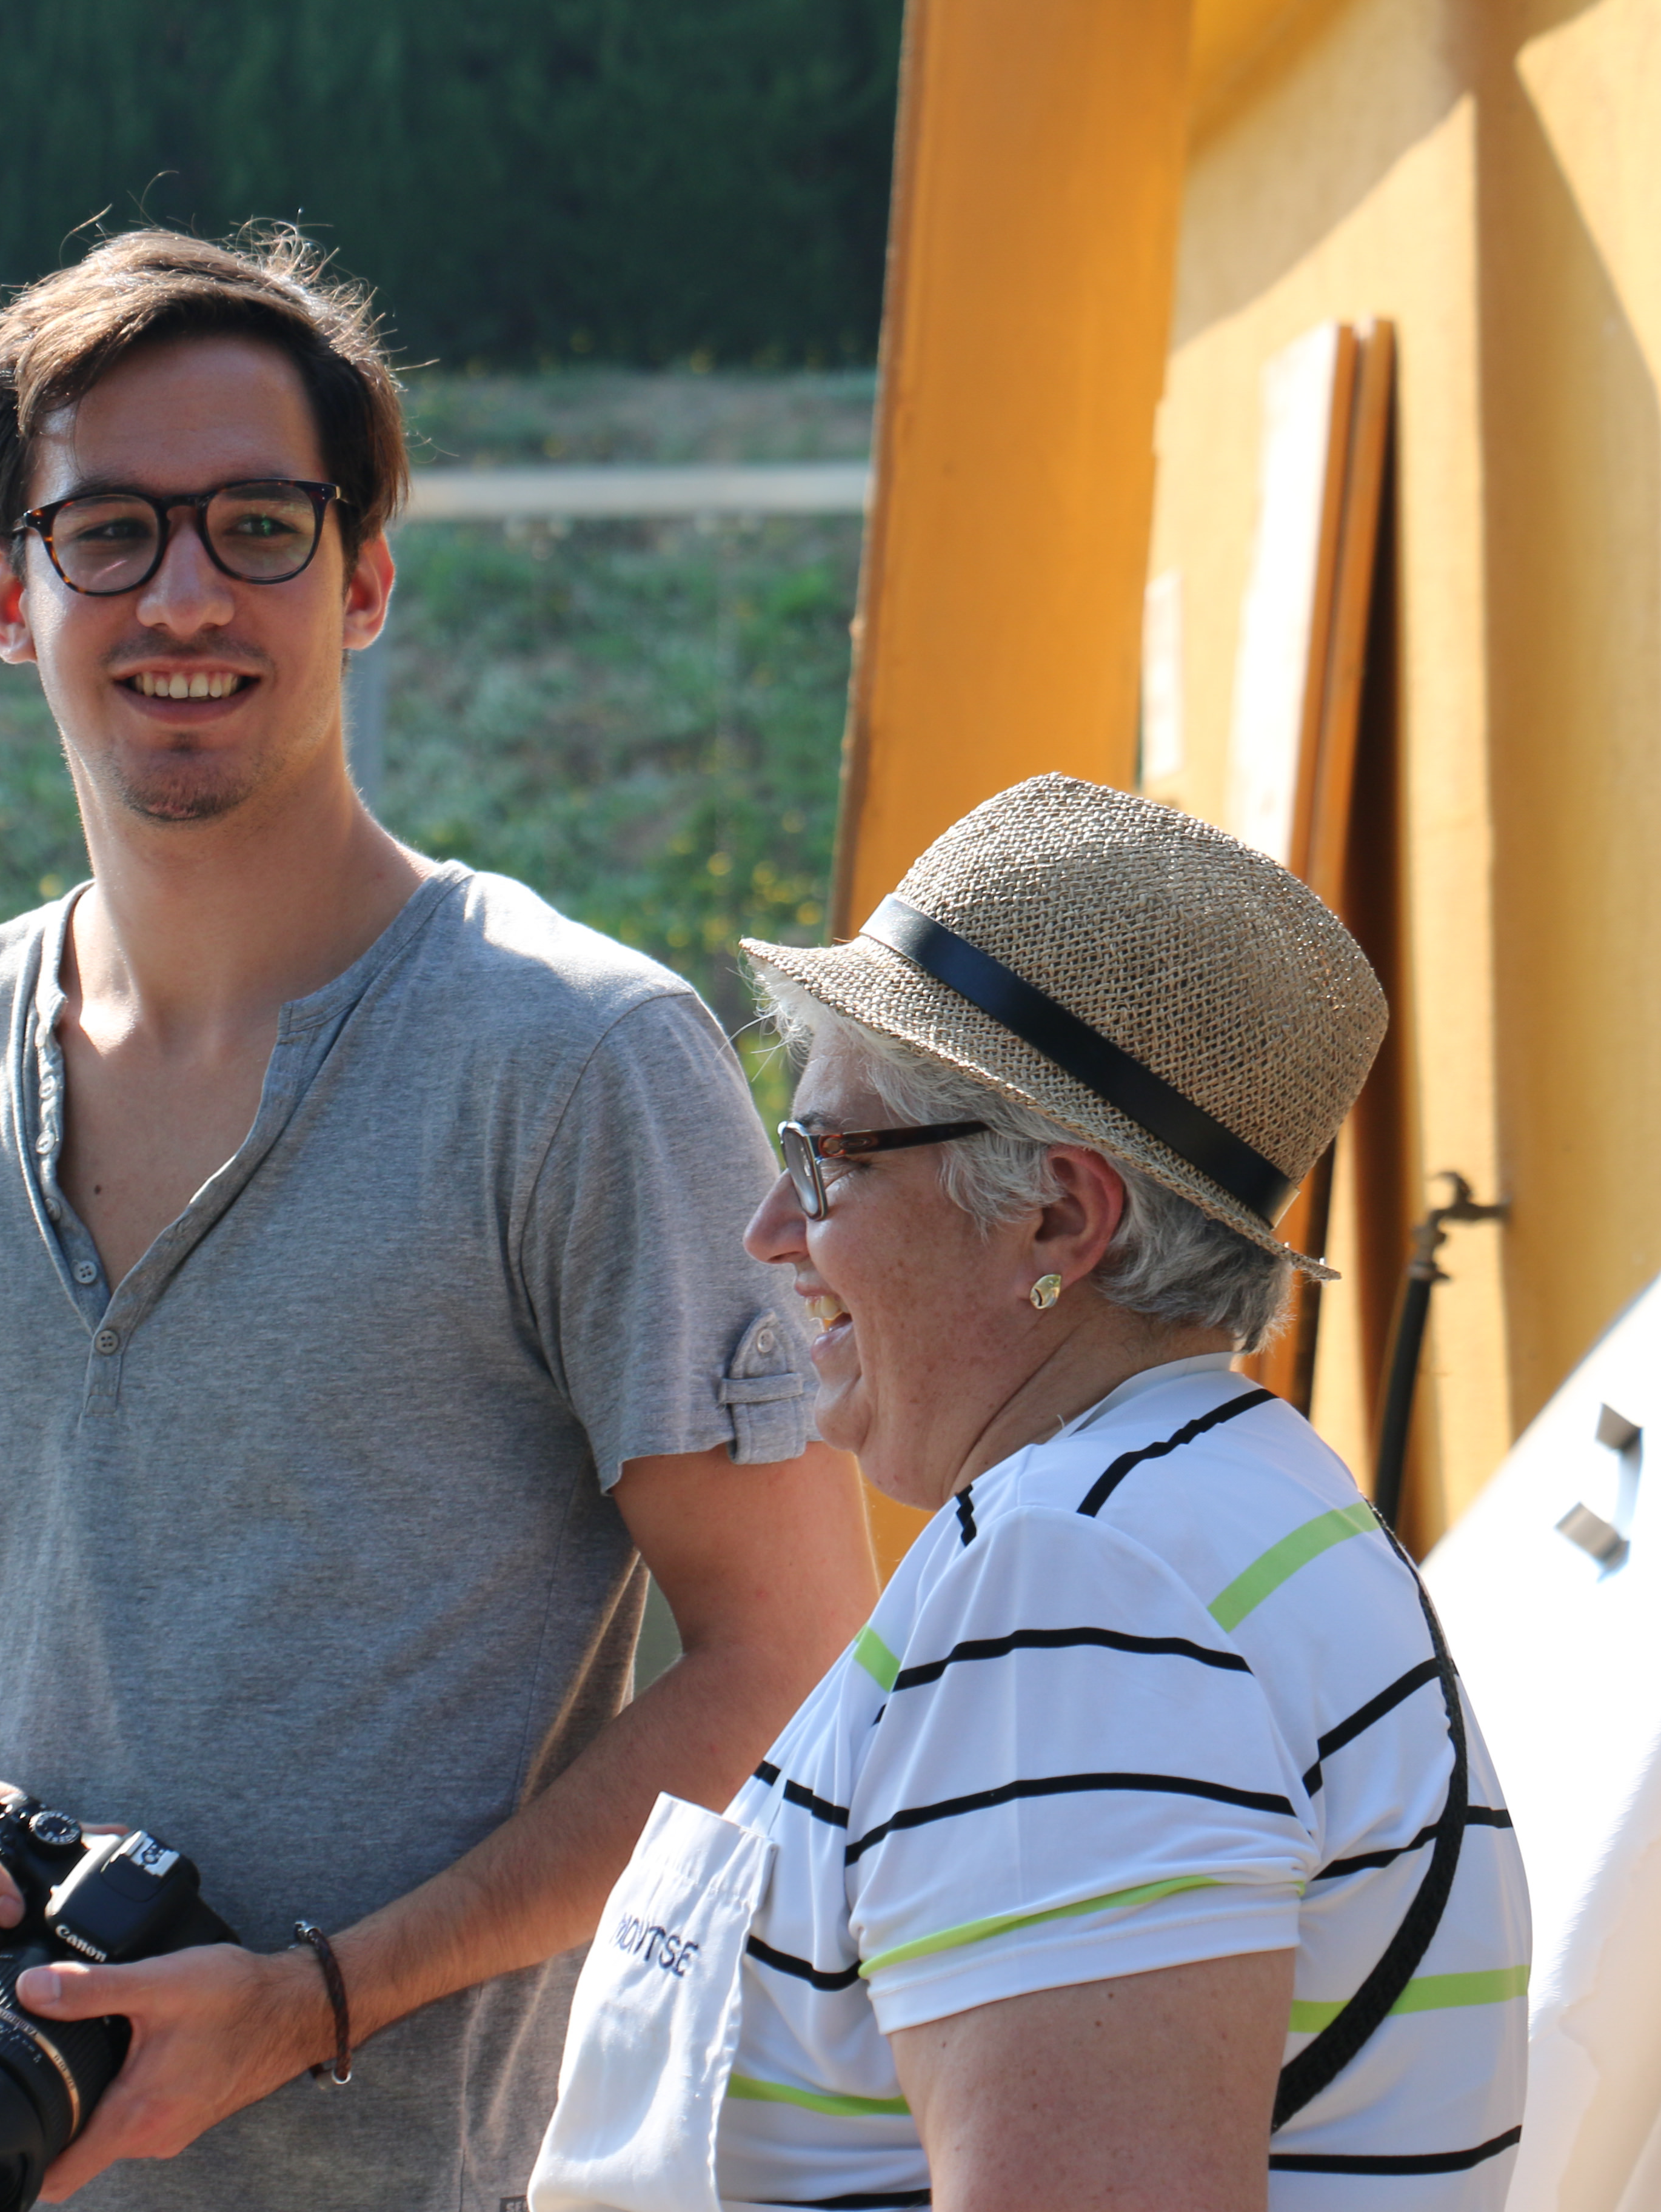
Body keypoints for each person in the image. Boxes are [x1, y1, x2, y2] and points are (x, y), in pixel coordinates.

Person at [0, 224, 880, 2211]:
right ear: (7, 594)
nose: (185, 594)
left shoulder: (574, 1058)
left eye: (258, 525)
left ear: (364, 578)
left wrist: (320, 1997)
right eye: (109, 533)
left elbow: (789, 1650)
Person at [531, 775, 1529, 2212]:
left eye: (826, 1160)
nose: (769, 1231)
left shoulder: (1073, 1589)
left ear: (1059, 1215)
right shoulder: (1222, 1499)